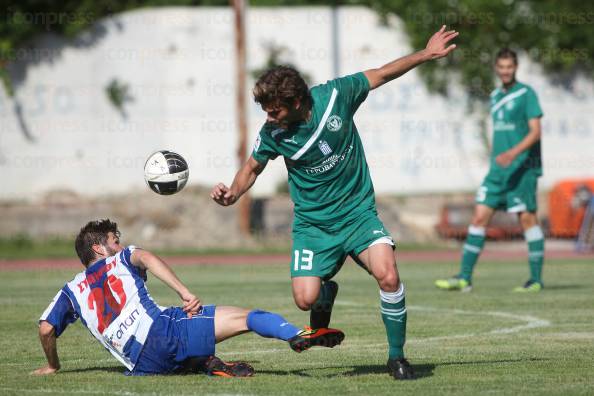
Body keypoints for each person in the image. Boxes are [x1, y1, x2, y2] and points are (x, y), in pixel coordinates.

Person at [211, 26, 459, 379]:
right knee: (304, 300)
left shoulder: (336, 96)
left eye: (273, 111)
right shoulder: (274, 134)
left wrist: (426, 53)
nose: (268, 118)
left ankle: (397, 358)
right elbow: (252, 168)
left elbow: (382, 73)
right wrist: (232, 194)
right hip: (313, 226)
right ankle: (325, 292)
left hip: (358, 215)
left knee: (388, 276)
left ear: (296, 103)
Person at [32, 219, 344, 377]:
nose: (119, 243)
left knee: (182, 353)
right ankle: (297, 334)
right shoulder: (122, 258)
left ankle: (208, 364)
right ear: (100, 248)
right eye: (115, 240)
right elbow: (149, 258)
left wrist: (53, 366)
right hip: (164, 331)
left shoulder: (70, 291)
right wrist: (184, 292)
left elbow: (46, 328)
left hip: (142, 364)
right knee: (249, 317)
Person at [435, 48, 545, 293]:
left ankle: (535, 279)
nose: (505, 71)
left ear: (515, 68)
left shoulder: (527, 94)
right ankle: (464, 277)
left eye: (510, 67)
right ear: (496, 68)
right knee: (479, 217)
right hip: (498, 171)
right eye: (502, 67)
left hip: (522, 169)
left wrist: (513, 154)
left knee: (527, 220)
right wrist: (498, 157)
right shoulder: (495, 95)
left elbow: (536, 132)